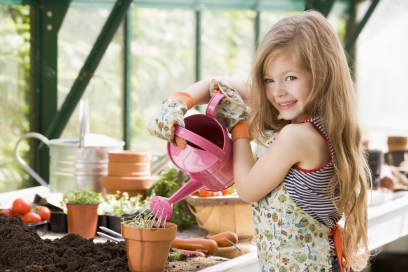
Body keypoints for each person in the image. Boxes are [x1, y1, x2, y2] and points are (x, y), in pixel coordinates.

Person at [147, 10, 370, 272]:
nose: (278, 91)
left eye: (290, 77)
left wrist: (240, 127)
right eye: (268, 79)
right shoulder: (316, 123)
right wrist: (181, 100)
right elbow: (222, 85)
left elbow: (248, 189)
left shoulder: (296, 137)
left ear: (321, 74)